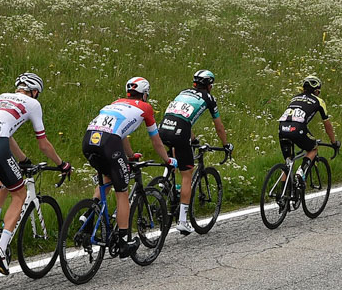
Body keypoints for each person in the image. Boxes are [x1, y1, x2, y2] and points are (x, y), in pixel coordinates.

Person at [0, 73, 72, 274]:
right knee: (20, 194)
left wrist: (23, 160)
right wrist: (61, 164)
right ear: (34, 91)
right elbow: (43, 144)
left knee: (5, 177)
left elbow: (7, 135)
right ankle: (1, 248)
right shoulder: (33, 104)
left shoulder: (1, 97)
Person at [82, 76, 174, 257]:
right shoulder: (146, 108)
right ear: (145, 94)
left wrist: (130, 156)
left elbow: (121, 133)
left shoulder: (115, 103)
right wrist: (167, 160)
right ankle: (124, 241)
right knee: (122, 191)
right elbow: (156, 141)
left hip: (89, 141)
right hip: (109, 143)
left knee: (107, 178)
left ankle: (88, 220)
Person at [159, 69, 232, 235]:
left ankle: (164, 183)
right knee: (187, 173)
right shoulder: (208, 98)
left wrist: (194, 140)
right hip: (180, 131)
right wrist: (226, 144)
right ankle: (183, 221)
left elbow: (181, 119)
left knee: (174, 158)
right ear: (209, 85)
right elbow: (219, 126)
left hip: (163, 128)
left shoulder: (183, 92)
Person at [277, 75, 340, 176]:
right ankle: (300, 173)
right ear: (316, 91)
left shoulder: (295, 98)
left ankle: (283, 190)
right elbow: (327, 125)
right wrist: (334, 142)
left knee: (288, 163)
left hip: (282, 128)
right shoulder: (319, 101)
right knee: (313, 148)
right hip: (297, 129)